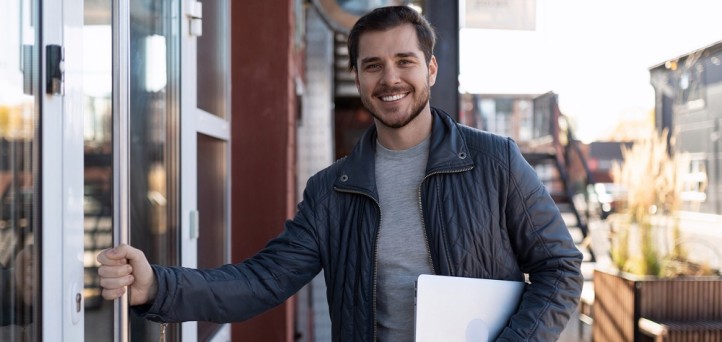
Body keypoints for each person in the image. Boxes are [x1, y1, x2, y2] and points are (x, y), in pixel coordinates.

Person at [98, 6, 583, 341]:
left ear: (431, 69)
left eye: (404, 62)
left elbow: (560, 270)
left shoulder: (495, 160)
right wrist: (158, 286)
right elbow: (263, 281)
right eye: (373, 66)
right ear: (358, 76)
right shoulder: (331, 190)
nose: (390, 78)